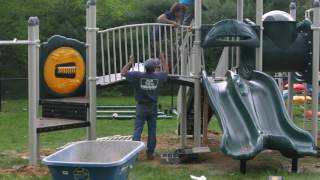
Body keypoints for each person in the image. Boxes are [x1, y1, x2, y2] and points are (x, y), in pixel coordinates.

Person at [121, 53, 169, 160]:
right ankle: (150, 153)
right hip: (152, 107)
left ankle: (135, 154)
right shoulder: (158, 76)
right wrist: (163, 60)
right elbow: (166, 72)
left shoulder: (137, 76)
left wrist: (130, 62)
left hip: (141, 107)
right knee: (152, 130)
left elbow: (123, 72)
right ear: (154, 68)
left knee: (137, 130)